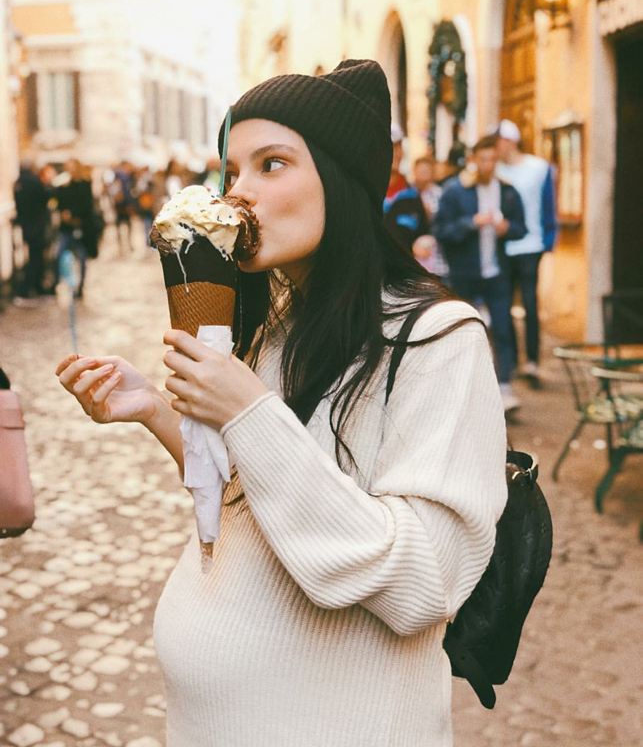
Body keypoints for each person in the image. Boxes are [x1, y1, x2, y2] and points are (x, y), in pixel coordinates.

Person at [56, 59, 508, 747]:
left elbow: (424, 584)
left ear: (341, 181)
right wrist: (157, 411)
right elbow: (254, 492)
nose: (238, 194)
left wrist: (248, 411)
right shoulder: (277, 321)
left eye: (271, 164)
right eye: (233, 170)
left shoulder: (440, 339)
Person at [434, 135, 527, 412]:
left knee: (502, 328)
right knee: (464, 330)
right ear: (474, 160)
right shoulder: (455, 191)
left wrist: (507, 228)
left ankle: (504, 387)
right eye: (483, 159)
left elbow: (521, 228)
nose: (488, 165)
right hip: (465, 273)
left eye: (493, 160)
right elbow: (441, 230)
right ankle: (462, 389)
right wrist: (471, 223)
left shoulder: (507, 191)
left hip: (497, 272)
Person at [495, 119, 557, 387]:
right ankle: (512, 359)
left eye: (499, 141)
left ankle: (532, 361)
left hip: (531, 245)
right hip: (504, 245)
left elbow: (548, 204)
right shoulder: (495, 170)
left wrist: (548, 240)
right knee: (505, 304)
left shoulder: (538, 168)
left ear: (511, 142)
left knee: (530, 304)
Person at [53, 159, 99, 298]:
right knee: (58, 255)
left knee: (82, 258)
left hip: (82, 227)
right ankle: (56, 283)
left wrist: (73, 215)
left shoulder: (85, 184)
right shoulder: (64, 185)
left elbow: (86, 205)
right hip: (67, 228)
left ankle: (80, 286)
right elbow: (59, 202)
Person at [13, 159, 52, 301]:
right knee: (36, 258)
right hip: (36, 225)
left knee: (34, 257)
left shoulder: (19, 182)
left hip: (27, 225)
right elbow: (45, 196)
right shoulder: (33, 182)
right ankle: (29, 288)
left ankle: (34, 287)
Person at [384, 122, 409, 205]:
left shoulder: (409, 190)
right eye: (393, 148)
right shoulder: (368, 188)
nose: (398, 154)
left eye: (400, 147)